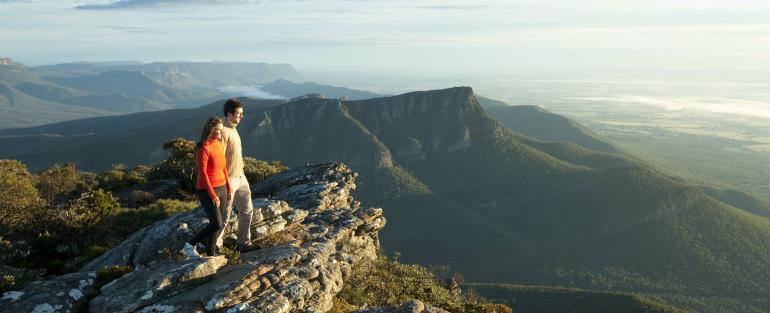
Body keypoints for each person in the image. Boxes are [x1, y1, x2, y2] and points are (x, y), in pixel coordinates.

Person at [183, 116, 232, 258]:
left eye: (221, 130)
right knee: (216, 224)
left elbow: (223, 167)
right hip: (207, 189)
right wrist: (212, 195)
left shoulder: (219, 144)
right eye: (217, 130)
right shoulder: (203, 148)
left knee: (219, 223)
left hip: (222, 186)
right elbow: (202, 173)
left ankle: (211, 252)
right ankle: (189, 245)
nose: (220, 133)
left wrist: (228, 188)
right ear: (210, 130)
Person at [215, 98, 254, 251]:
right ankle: (215, 247)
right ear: (229, 114)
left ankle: (243, 243)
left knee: (247, 210)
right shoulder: (222, 131)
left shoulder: (233, 128)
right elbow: (218, 159)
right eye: (238, 114)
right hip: (229, 180)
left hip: (241, 177)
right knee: (225, 216)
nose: (241, 116)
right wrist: (224, 183)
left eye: (241, 113)